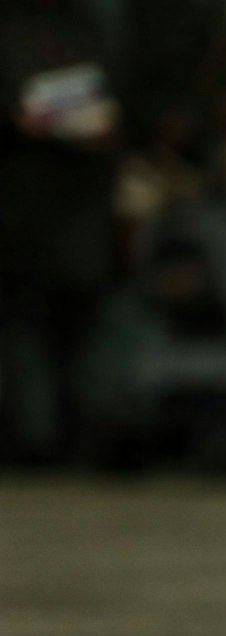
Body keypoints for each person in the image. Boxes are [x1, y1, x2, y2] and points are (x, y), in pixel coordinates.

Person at [0, 0, 120, 467]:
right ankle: (35, 437)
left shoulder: (87, 25)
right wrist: (13, 122)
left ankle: (79, 435)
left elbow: (115, 91)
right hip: (19, 202)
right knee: (25, 325)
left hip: (79, 201)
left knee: (79, 323)